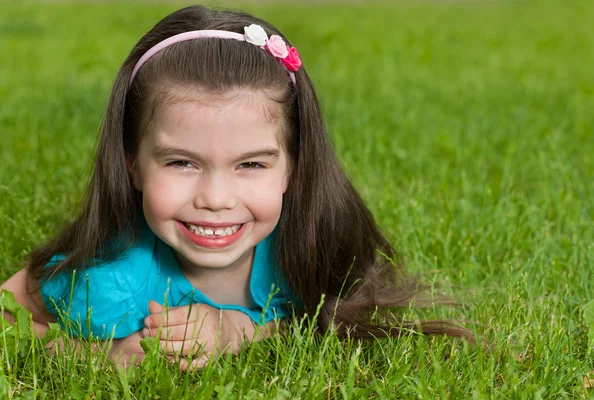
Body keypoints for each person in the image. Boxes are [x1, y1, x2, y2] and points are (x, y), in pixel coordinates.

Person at [0, 5, 472, 370]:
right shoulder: (108, 282)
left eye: (250, 164)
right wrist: (99, 355)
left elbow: (328, 317)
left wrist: (239, 331)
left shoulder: (309, 247)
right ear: (132, 166)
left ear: (293, 167)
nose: (216, 198)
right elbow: (7, 312)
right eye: (182, 162)